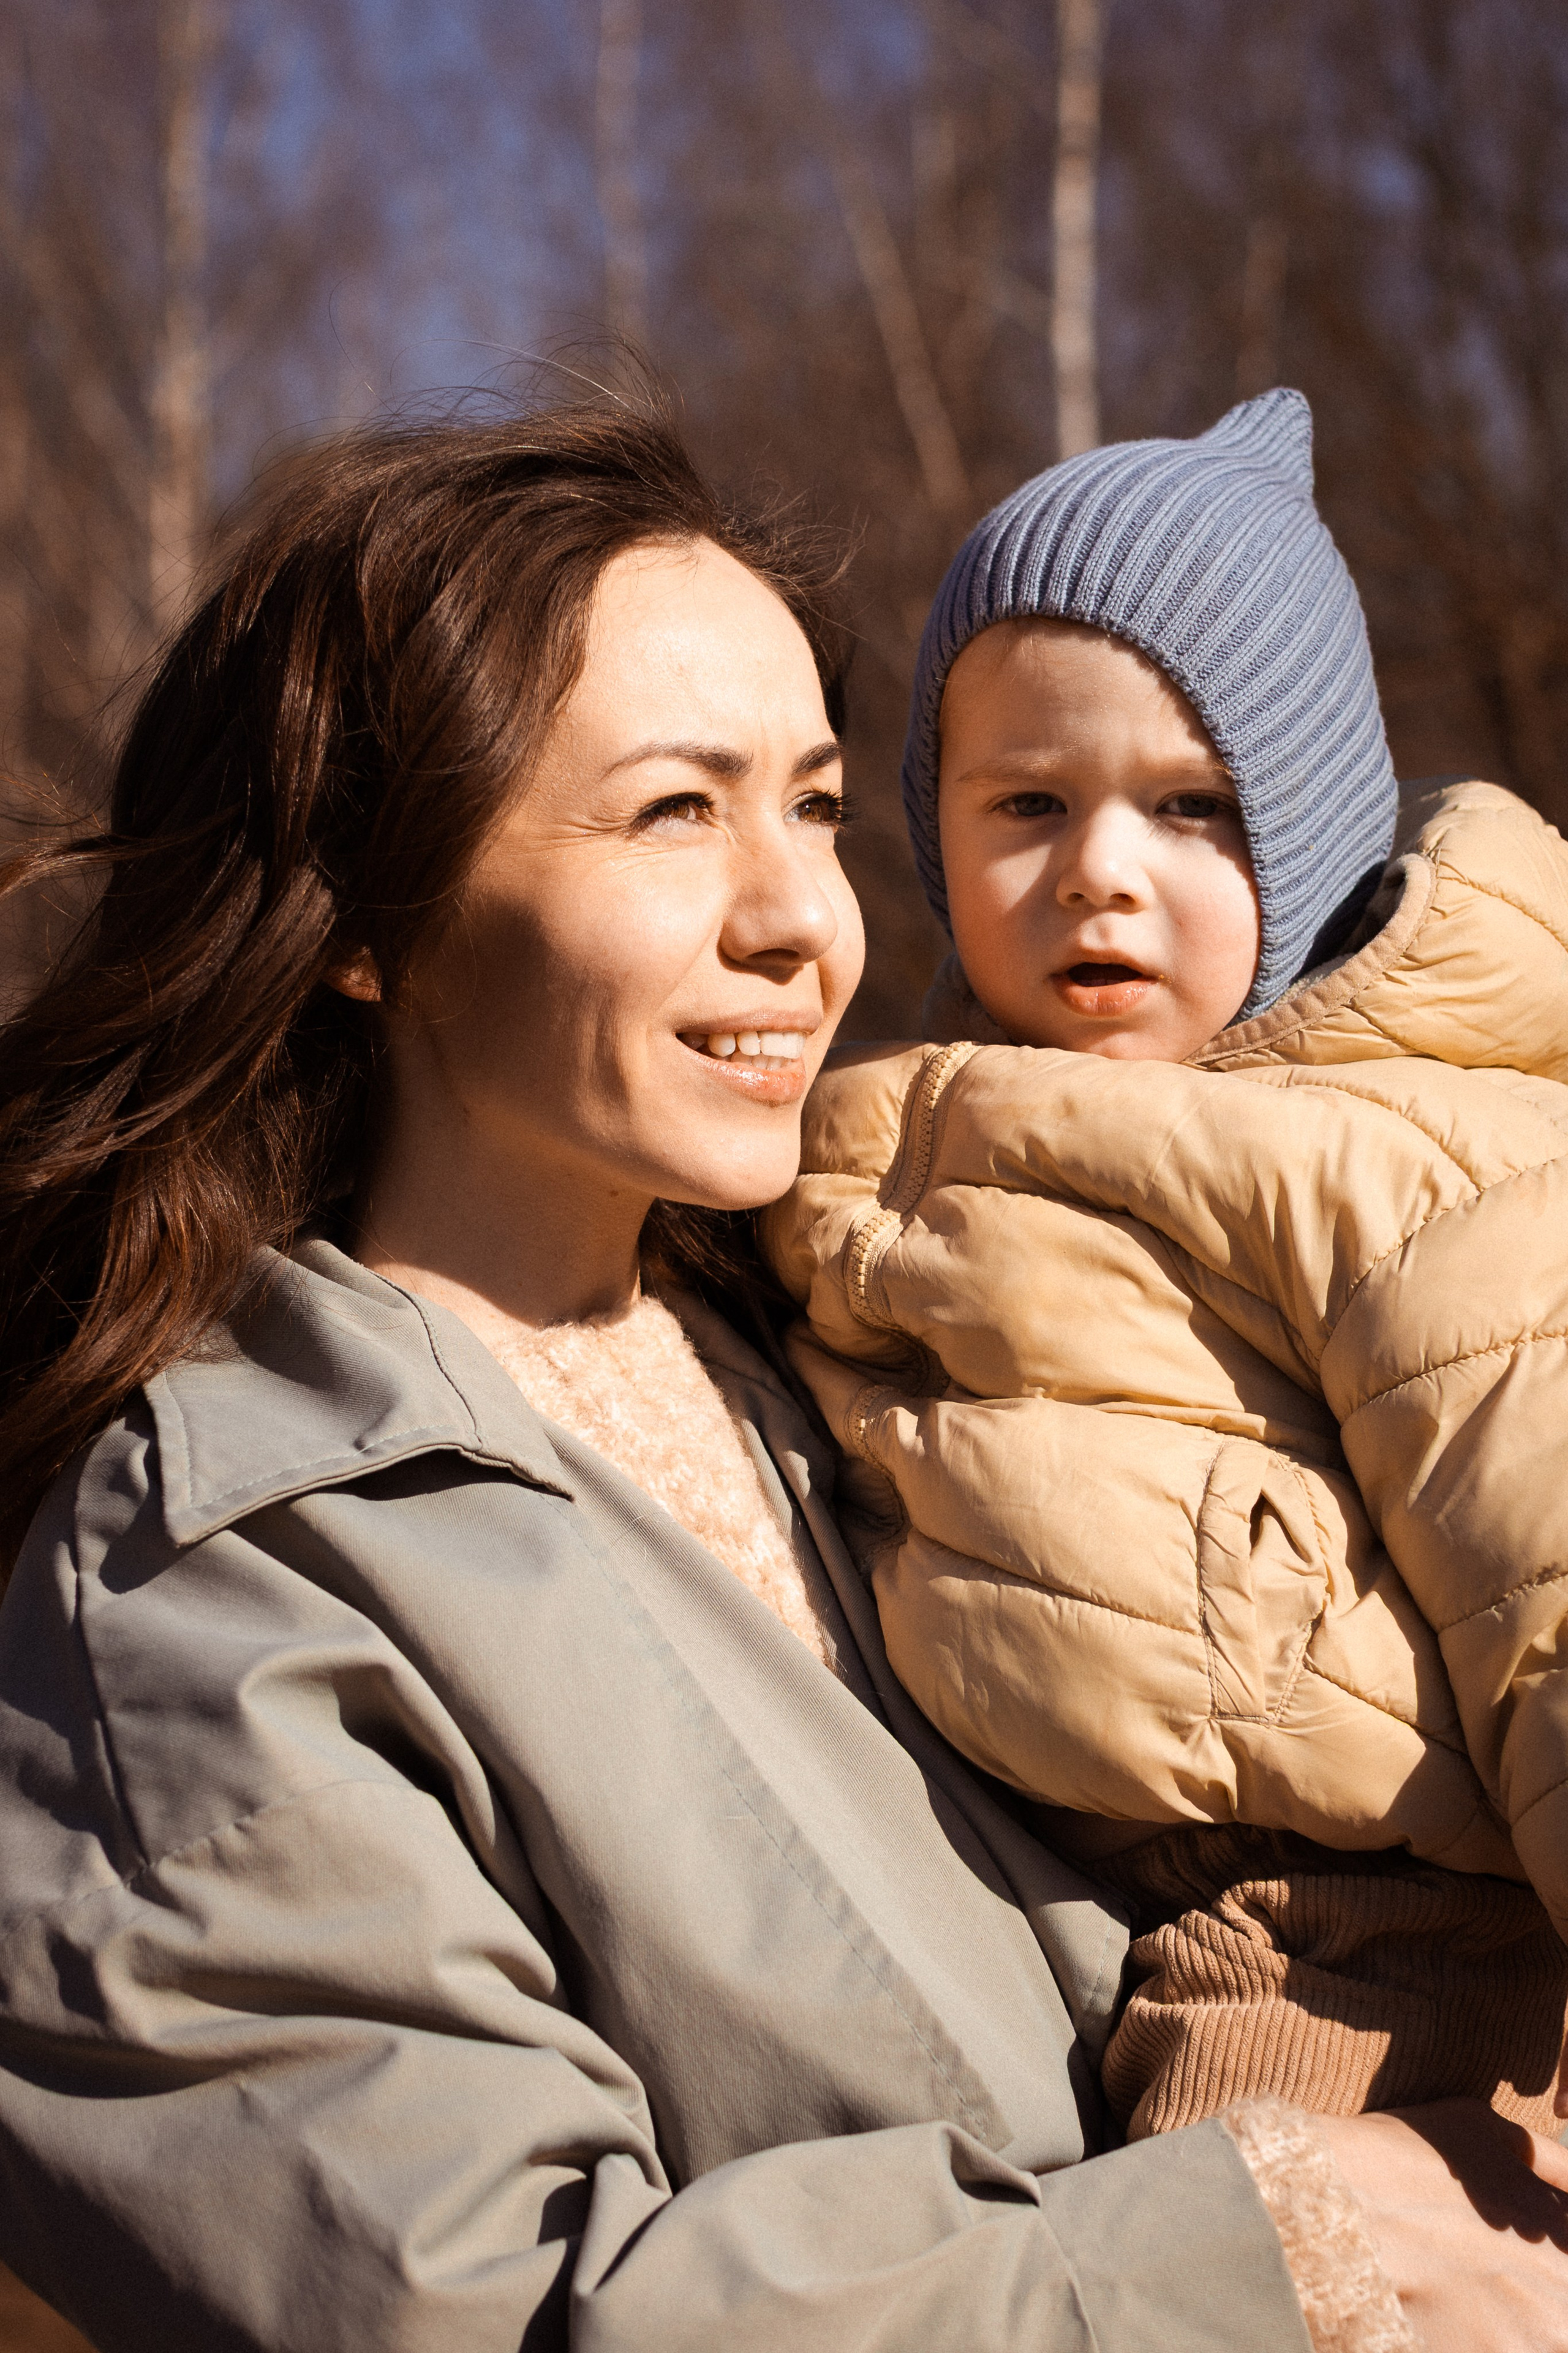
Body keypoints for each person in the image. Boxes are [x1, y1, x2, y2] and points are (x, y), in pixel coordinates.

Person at [0, 395, 1562, 2353]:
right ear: (371, 919)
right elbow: (484, 2311)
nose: (804, 919)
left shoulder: (860, 1347)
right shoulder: (204, 1601)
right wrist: (1283, 2247)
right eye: (678, 810)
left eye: (815, 807)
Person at [765, 388, 1568, 2142]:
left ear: (1316, 827)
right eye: (1028, 803)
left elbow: (1546, 1569)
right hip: (1050, 1897)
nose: (1098, 875)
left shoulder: (1403, 1153)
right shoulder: (897, 1136)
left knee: (1241, 2234)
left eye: (1192, 807)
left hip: (1359, 1932)